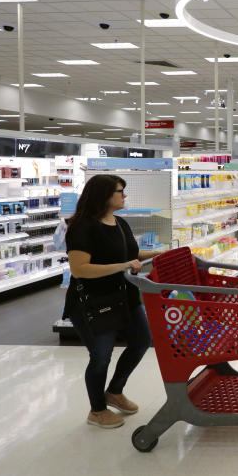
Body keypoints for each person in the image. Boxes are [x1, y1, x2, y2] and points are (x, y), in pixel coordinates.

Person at [64, 174, 165, 429]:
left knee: (142, 340)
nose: (125, 195)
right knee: (101, 356)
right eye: (121, 191)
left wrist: (159, 253)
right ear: (105, 196)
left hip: (125, 296)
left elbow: (131, 253)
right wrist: (122, 266)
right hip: (94, 302)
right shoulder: (81, 227)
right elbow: (79, 269)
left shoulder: (119, 222)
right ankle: (97, 410)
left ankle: (115, 391)